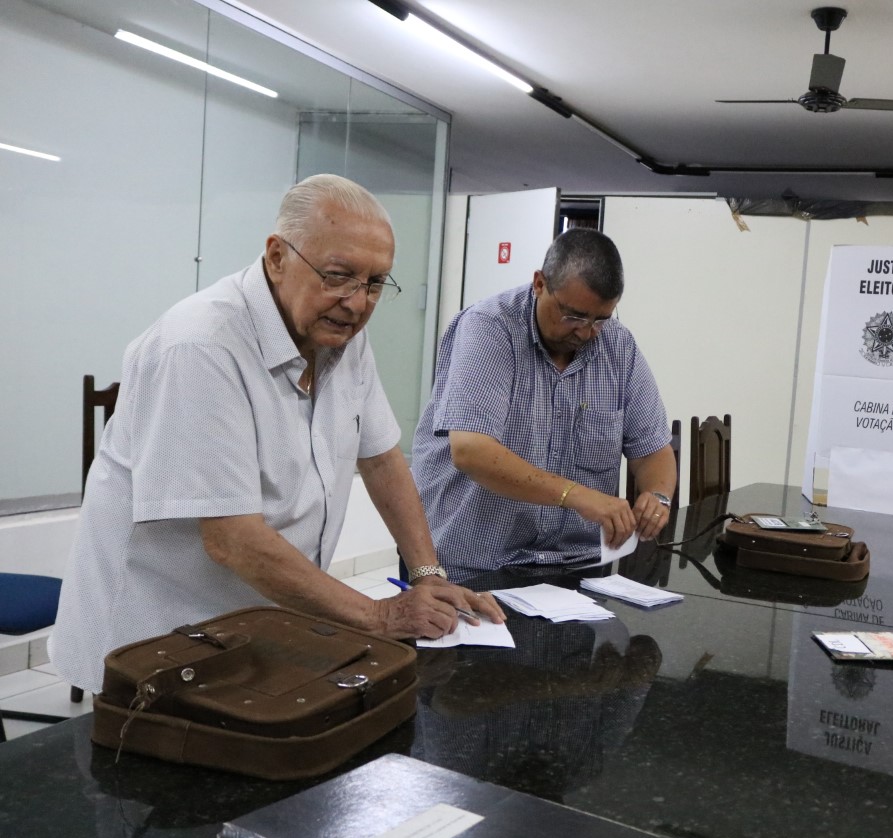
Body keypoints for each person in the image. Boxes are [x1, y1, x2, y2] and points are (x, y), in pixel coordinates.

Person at [51, 174, 503, 695]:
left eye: (376, 283)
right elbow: (232, 539)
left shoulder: (339, 332)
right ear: (276, 257)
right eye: (338, 275)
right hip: (157, 633)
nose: (357, 303)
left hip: (256, 624)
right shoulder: (199, 347)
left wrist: (428, 573)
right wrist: (379, 617)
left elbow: (380, 459)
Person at [411, 228, 677, 577]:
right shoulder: (489, 329)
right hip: (472, 563)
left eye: (600, 320)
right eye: (574, 316)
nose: (585, 332)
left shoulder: (618, 346)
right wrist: (577, 495)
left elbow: (653, 450)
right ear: (539, 283)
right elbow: (471, 451)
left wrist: (658, 498)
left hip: (575, 564)